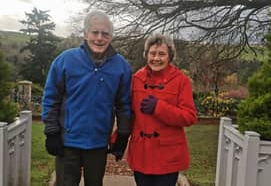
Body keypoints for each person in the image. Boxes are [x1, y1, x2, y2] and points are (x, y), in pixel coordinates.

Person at [41, 11, 132, 186]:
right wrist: (51, 132)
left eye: (105, 33)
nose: (99, 38)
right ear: (85, 34)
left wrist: (123, 134)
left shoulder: (121, 67)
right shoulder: (65, 60)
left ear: (111, 36)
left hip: (98, 142)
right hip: (67, 141)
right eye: (94, 32)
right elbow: (51, 98)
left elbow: (124, 104)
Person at [127, 33, 197, 186]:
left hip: (167, 155)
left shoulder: (181, 81)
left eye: (162, 54)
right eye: (152, 53)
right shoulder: (136, 79)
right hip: (141, 153)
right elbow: (130, 114)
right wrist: (118, 139)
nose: (156, 58)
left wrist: (159, 108)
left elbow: (189, 117)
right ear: (146, 55)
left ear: (169, 56)